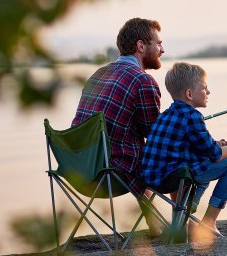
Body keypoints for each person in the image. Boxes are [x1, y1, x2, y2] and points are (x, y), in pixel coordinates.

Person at [71, 18, 165, 236]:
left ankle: (155, 225)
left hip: (78, 169)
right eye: (158, 43)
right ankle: (180, 228)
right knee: (168, 155)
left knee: (137, 153)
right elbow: (154, 137)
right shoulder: (143, 81)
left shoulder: (98, 74)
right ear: (141, 46)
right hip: (110, 175)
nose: (162, 49)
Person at [141, 62, 227, 239]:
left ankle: (184, 219)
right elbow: (215, 155)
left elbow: (190, 145)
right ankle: (208, 221)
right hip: (176, 178)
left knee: (201, 162)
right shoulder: (192, 116)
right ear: (190, 94)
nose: (208, 92)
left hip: (152, 180)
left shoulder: (164, 115)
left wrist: (217, 144)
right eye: (205, 88)